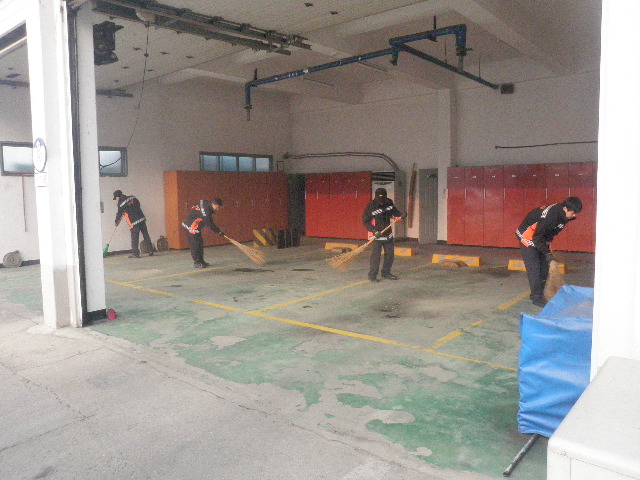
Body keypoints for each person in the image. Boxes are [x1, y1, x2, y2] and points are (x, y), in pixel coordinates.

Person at [516, 196, 583, 307]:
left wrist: (548, 244)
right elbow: (537, 237)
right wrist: (547, 253)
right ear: (565, 209)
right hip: (527, 236)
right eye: (573, 213)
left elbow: (550, 232)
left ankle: (538, 293)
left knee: (545, 268)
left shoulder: (563, 215)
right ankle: (536, 298)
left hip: (539, 237)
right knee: (535, 269)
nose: (574, 215)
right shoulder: (551, 216)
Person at [362, 187, 405, 282]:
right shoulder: (370, 207)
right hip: (376, 236)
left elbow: (395, 213)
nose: (381, 202)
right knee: (376, 257)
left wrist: (401, 215)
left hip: (388, 235)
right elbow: (366, 222)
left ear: (386, 197)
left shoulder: (389, 203)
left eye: (383, 200)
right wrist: (374, 231)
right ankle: (372, 275)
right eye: (379, 200)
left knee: (390, 255)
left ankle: (386, 273)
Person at [182, 198, 225, 268]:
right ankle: (197, 262)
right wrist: (219, 232)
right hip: (190, 227)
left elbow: (198, 204)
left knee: (200, 243)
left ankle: (201, 261)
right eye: (217, 207)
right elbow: (210, 224)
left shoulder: (205, 202)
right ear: (213, 204)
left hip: (195, 227)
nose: (217, 209)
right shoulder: (206, 213)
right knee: (195, 245)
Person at [113, 190, 154, 258]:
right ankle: (151, 251)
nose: (116, 199)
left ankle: (135, 254)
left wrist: (116, 222)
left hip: (134, 222)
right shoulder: (132, 197)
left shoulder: (121, 204)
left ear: (118, 197)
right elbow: (138, 204)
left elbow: (119, 214)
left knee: (134, 238)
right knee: (146, 235)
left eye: (116, 198)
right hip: (141, 219)